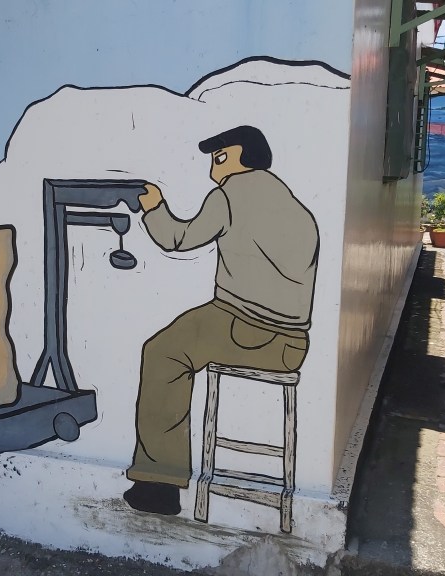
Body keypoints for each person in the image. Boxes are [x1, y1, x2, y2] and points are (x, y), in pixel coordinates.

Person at [124, 125, 320, 515]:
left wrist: (154, 207)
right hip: (292, 344)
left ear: (243, 157)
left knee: (162, 353)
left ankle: (159, 485)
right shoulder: (294, 205)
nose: (214, 166)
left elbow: (178, 238)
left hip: (244, 327)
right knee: (178, 343)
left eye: (220, 157)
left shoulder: (230, 194)